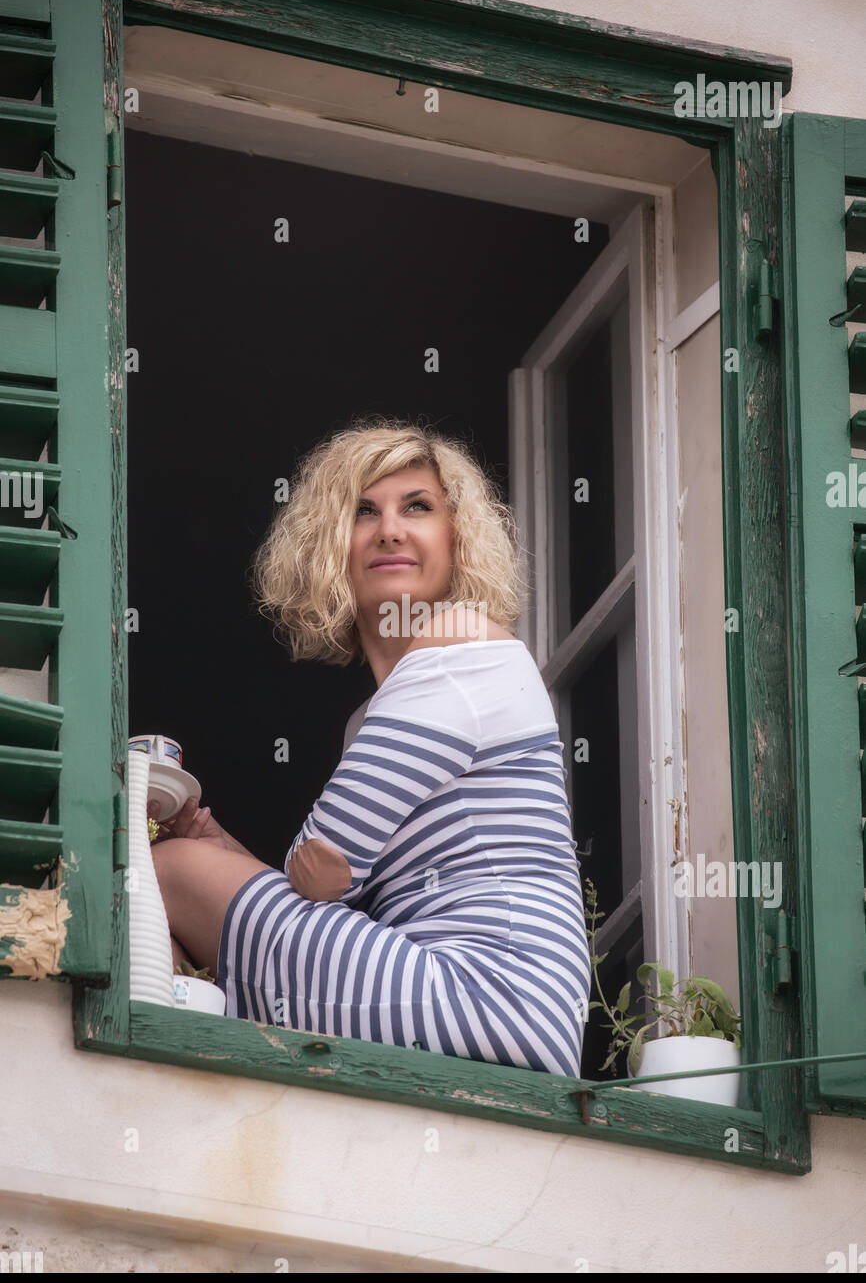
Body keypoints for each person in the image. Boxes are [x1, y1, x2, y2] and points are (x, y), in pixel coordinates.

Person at [149, 420, 591, 1078]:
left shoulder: (459, 645)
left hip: (492, 994)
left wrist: (205, 863)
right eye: (363, 512)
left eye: (418, 507)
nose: (389, 529)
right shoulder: (375, 714)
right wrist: (226, 848)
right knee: (195, 862)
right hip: (489, 1010)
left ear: (457, 538)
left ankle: (144, 1064)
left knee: (168, 870)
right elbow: (333, 890)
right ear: (331, 549)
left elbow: (325, 865)